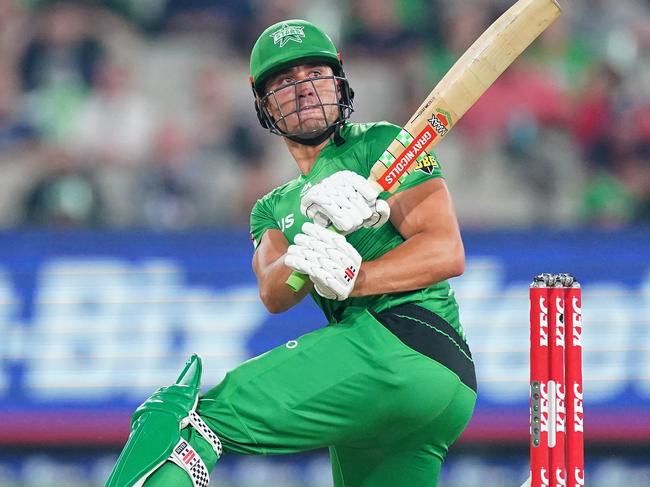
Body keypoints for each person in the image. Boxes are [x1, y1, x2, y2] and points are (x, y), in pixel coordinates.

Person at [107, 19, 476, 487]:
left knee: (191, 420)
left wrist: (355, 276)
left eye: (314, 74)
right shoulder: (271, 208)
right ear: (262, 102)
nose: (303, 89)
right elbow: (274, 292)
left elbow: (446, 251)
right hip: (419, 390)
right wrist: (306, 251)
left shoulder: (380, 145)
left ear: (339, 81)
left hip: (404, 342)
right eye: (285, 81)